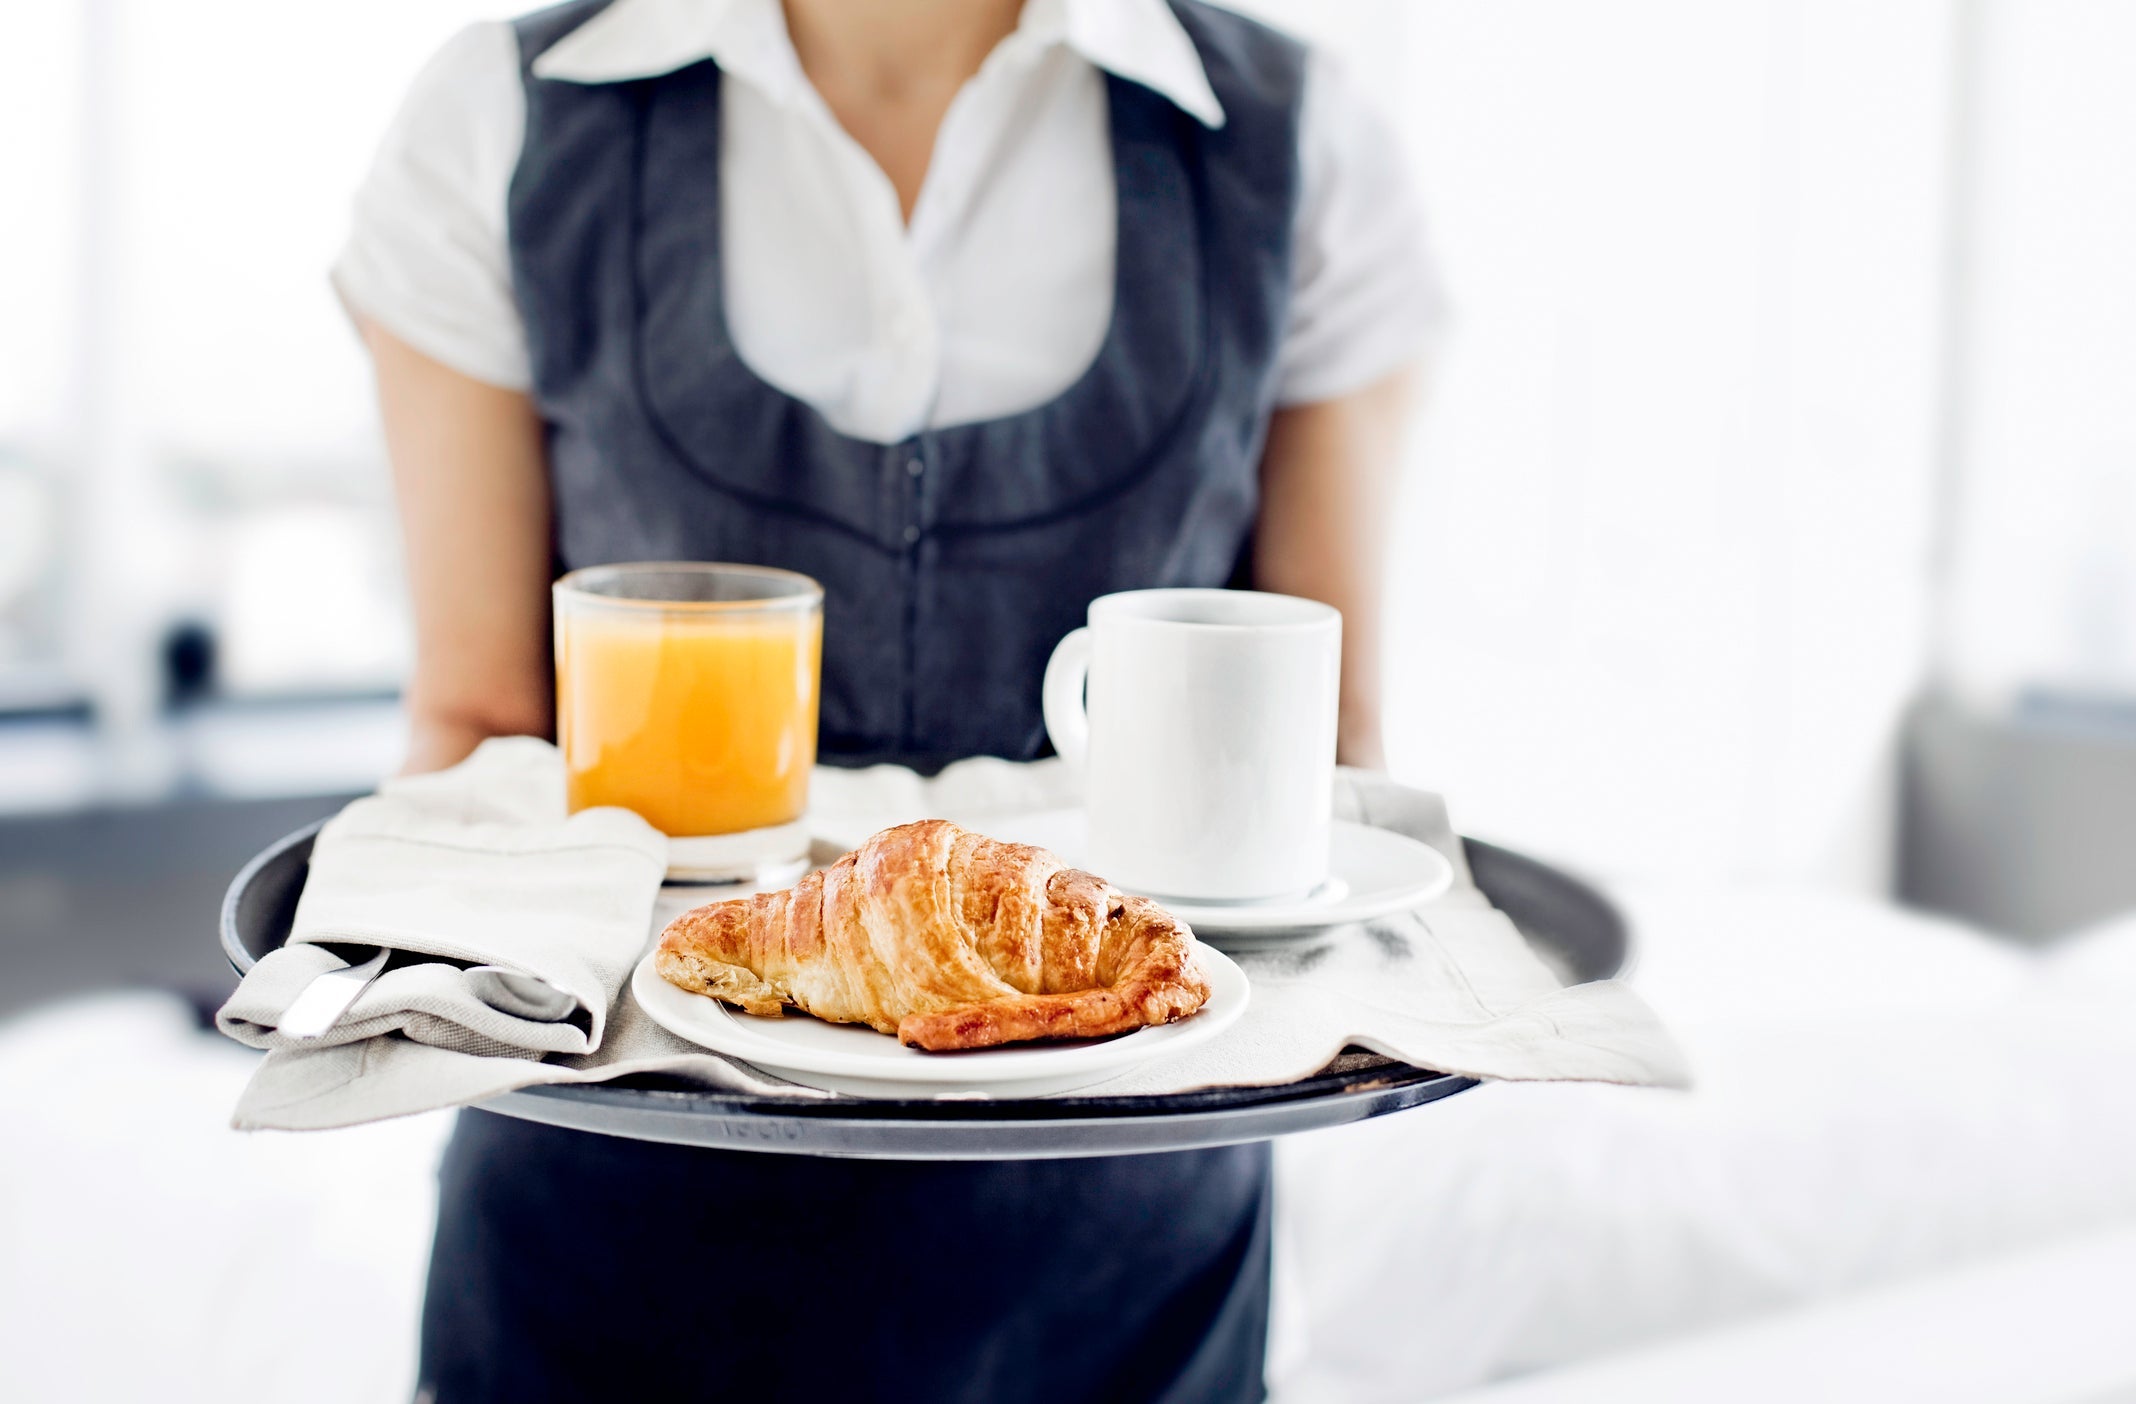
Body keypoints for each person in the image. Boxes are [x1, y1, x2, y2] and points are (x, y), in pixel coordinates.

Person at [339, 0, 1443, 1397]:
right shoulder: (502, 114)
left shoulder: (1296, 140)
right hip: (605, 1243)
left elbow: (1323, 761)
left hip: (1131, 1267)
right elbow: (478, 732)